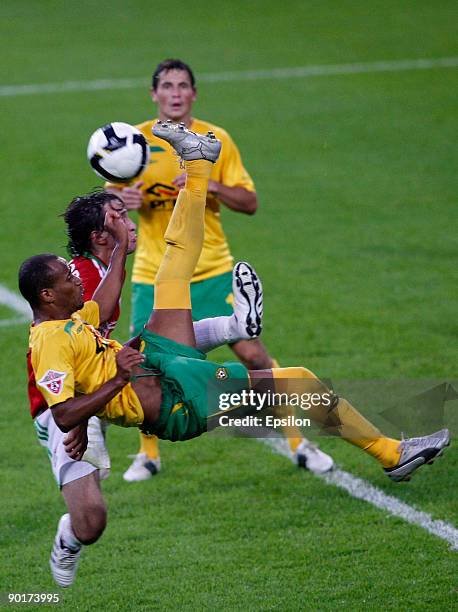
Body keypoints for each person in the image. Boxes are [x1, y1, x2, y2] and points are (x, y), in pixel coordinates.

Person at [20, 124, 450, 588]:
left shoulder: (76, 310)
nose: (127, 217)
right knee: (93, 520)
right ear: (50, 292)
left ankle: (199, 166)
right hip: (170, 402)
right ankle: (391, 453)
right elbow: (61, 405)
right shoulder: (53, 331)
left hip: (151, 368)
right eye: (117, 216)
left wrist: (124, 247)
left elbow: (102, 316)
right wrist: (99, 407)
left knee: (172, 275)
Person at [107, 58, 332, 481]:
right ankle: (147, 453)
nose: (175, 93)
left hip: (210, 267)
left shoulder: (216, 139)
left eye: (183, 86)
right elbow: (109, 188)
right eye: (167, 86)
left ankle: (300, 441)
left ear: (194, 93)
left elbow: (249, 203)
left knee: (252, 352)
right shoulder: (136, 142)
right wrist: (122, 200)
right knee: (140, 360)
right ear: (153, 94)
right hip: (156, 272)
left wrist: (207, 182)